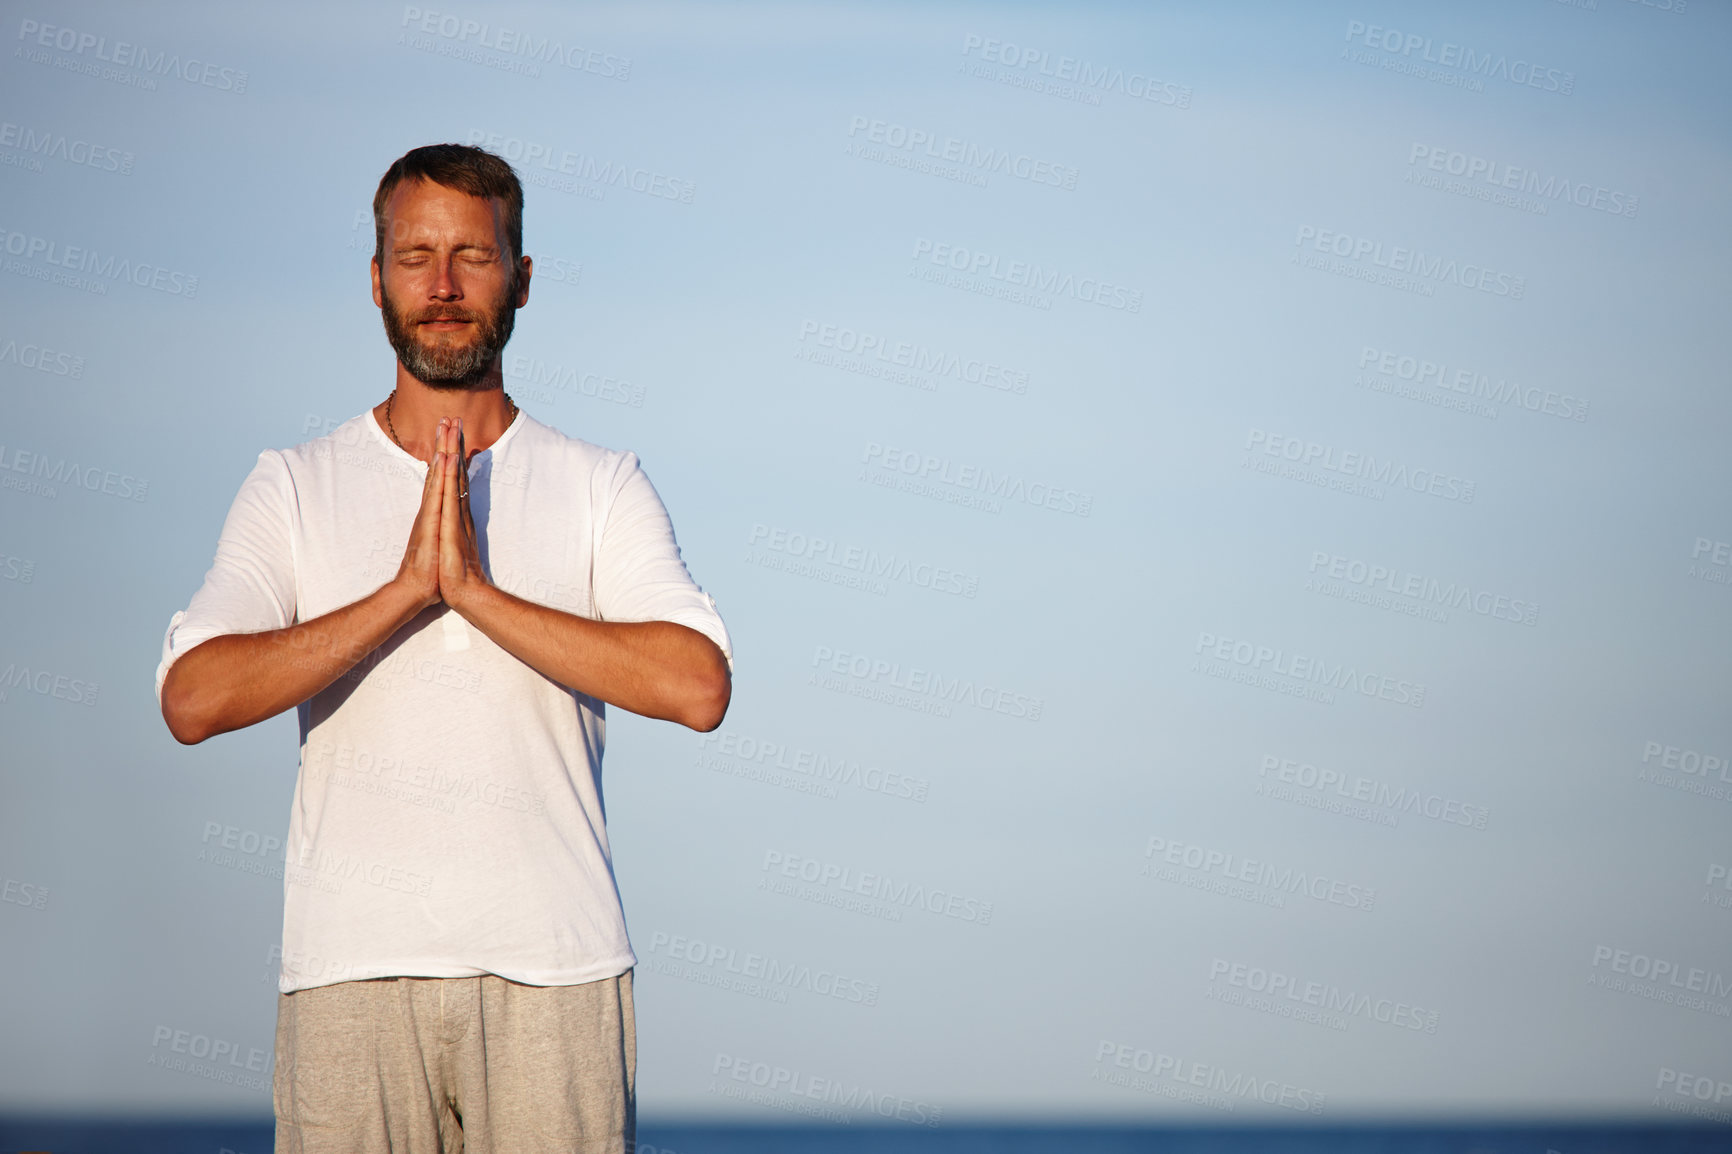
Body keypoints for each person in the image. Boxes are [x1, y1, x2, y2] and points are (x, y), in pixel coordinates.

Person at [155, 143, 732, 1154]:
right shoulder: (292, 483)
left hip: (556, 972)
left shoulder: (602, 483)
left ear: (522, 277)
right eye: (415, 255)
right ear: (375, 280)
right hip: (347, 974)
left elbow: (695, 684)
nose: (444, 284)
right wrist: (404, 593)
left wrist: (473, 593)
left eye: (474, 254)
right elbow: (194, 698)